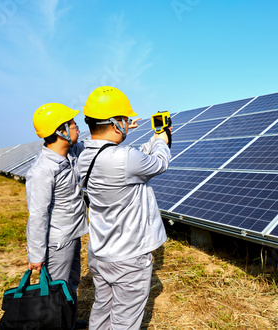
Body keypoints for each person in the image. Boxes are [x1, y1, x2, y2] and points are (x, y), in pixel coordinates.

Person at [77, 86, 171, 329]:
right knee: (124, 320)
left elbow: (131, 159)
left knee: (102, 308)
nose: (127, 124)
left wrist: (146, 137)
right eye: (124, 120)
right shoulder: (125, 158)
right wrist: (162, 139)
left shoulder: (85, 156)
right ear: (115, 123)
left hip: (101, 252)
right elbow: (158, 163)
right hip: (128, 257)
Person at [26, 103, 88, 329]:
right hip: (57, 243)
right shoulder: (42, 170)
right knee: (56, 291)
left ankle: (68, 323)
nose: (78, 129)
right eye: (73, 125)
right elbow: (38, 214)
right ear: (61, 131)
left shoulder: (70, 154)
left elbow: (92, 145)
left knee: (71, 284)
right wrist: (36, 254)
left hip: (73, 234)